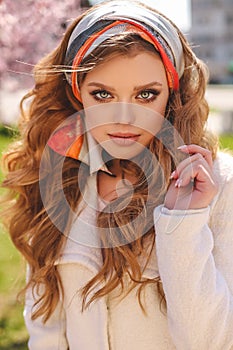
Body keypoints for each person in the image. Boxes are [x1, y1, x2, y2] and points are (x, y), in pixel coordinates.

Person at [2, 0, 233, 349]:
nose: (125, 118)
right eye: (103, 94)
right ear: (77, 92)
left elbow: (210, 342)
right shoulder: (58, 180)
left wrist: (183, 221)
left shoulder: (217, 187)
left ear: (173, 94)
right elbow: (46, 331)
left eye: (146, 95)